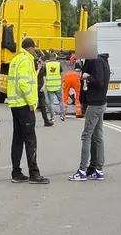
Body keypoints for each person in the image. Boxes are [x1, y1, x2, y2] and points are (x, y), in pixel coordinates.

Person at [7, 38, 49, 185]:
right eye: (34, 49)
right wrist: (32, 103)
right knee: (30, 139)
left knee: (17, 139)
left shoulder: (15, 60)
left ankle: (16, 172)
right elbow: (23, 83)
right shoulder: (26, 61)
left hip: (15, 104)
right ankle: (34, 174)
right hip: (25, 105)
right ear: (30, 48)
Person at [69, 52, 110, 181]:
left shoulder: (97, 61)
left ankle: (82, 170)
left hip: (95, 104)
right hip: (100, 102)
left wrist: (87, 77)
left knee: (86, 136)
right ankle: (98, 169)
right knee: (98, 136)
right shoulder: (101, 61)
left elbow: (99, 81)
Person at [44, 52, 65, 121]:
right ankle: (62, 115)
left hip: (50, 86)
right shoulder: (58, 64)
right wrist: (61, 82)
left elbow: (44, 75)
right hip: (58, 85)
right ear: (55, 57)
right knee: (61, 101)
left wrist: (45, 84)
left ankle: (52, 117)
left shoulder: (46, 65)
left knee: (51, 102)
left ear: (49, 58)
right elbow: (62, 74)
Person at [36, 57, 54, 126]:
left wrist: (44, 86)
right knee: (32, 105)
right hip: (34, 88)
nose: (44, 64)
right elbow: (34, 76)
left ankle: (46, 121)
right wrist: (38, 69)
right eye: (43, 62)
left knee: (43, 105)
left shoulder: (43, 68)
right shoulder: (35, 66)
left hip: (40, 88)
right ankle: (30, 121)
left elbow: (44, 77)